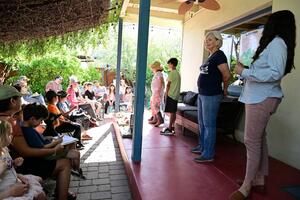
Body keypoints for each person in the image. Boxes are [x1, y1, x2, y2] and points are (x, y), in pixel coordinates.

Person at [229, 10, 296, 200]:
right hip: (259, 96)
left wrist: (244, 72)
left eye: (269, 22)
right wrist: (247, 69)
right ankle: (257, 180)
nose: (266, 26)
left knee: (251, 141)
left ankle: (246, 186)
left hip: (262, 98)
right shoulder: (276, 43)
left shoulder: (277, 43)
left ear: (276, 24)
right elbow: (269, 71)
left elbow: (275, 74)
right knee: (259, 139)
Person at [0, 85, 75, 200]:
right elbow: (26, 152)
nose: (22, 101)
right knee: (64, 163)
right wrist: (54, 150)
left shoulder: (13, 119)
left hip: (15, 165)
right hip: (23, 165)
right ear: (13, 101)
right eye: (20, 98)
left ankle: (61, 191)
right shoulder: (10, 123)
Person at [191, 31, 231, 163]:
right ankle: (202, 147)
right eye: (205, 40)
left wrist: (225, 89)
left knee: (209, 125)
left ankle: (208, 154)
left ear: (217, 41)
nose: (206, 42)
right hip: (203, 94)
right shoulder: (211, 56)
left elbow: (226, 75)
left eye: (210, 39)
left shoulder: (219, 55)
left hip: (212, 94)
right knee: (202, 124)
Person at [0, 120, 46, 200]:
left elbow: (8, 170)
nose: (12, 136)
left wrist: (14, 163)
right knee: (40, 195)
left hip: (13, 181)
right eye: (9, 134)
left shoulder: (4, 149)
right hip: (5, 191)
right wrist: (10, 192)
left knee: (40, 184)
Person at [160, 58, 181, 135]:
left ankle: (169, 128)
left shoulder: (172, 73)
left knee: (172, 112)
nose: (168, 65)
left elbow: (168, 85)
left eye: (169, 64)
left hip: (171, 94)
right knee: (173, 112)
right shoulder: (178, 73)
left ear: (172, 64)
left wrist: (166, 94)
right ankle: (172, 127)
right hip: (175, 95)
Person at [148, 61, 165, 126]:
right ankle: (155, 118)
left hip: (157, 92)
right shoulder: (157, 73)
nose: (152, 69)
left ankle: (160, 119)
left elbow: (161, 82)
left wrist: (158, 91)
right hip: (155, 92)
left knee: (155, 105)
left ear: (156, 68)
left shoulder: (159, 73)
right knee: (152, 104)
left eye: (153, 68)